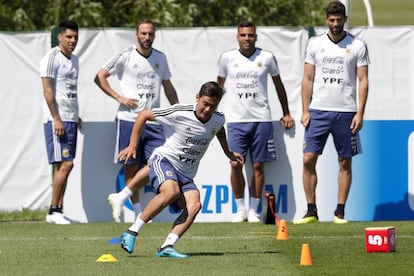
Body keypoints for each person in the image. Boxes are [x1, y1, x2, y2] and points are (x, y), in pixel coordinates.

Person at [117, 81, 244, 258]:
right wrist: (132, 145)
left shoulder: (218, 118)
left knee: (194, 205)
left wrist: (229, 153)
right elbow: (144, 114)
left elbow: (219, 130)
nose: (207, 109)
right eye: (205, 104)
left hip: (186, 172)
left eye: (212, 106)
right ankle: (131, 232)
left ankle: (167, 247)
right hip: (164, 161)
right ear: (197, 98)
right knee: (171, 192)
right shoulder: (179, 112)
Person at [94, 18, 179, 223]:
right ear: (136, 34)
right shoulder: (126, 55)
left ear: (155, 35)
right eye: (143, 33)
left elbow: (167, 86)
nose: (147, 37)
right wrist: (119, 97)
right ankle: (138, 212)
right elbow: (100, 76)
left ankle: (126, 199)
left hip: (153, 121)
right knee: (130, 165)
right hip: (129, 119)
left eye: (150, 33)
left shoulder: (160, 57)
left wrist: (176, 111)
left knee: (157, 161)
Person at [294, 1, 369, 225]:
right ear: (326, 19)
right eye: (332, 20)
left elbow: (363, 80)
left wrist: (360, 113)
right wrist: (305, 110)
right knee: (308, 159)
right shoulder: (315, 44)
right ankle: (311, 211)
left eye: (339, 20)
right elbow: (307, 79)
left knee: (345, 161)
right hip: (318, 111)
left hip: (346, 112)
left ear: (345, 19)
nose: (335, 24)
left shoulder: (357, 45)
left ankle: (340, 212)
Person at [217, 22, 294, 223]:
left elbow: (279, 86)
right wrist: (212, 114)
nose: (247, 39)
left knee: (258, 166)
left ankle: (254, 210)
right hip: (235, 120)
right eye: (243, 35)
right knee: (235, 164)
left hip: (261, 119)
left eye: (251, 35)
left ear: (256, 37)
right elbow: (217, 88)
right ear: (237, 37)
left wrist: (286, 112)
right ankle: (240, 208)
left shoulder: (267, 57)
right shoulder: (227, 58)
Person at [39, 20, 80, 224]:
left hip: (70, 118)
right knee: (65, 163)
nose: (72, 41)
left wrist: (76, 114)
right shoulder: (51, 58)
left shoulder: (75, 60)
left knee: (66, 166)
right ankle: (53, 210)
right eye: (69, 37)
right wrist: (56, 118)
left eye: (75, 37)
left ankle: (59, 210)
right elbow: (48, 91)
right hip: (57, 119)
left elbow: (69, 91)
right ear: (60, 37)